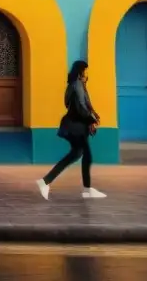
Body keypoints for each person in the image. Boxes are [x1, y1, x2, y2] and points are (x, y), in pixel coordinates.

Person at [36, 59, 107, 200]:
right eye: (85, 70)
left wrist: (90, 119)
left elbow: (80, 105)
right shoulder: (77, 85)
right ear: (80, 72)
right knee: (85, 155)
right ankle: (85, 190)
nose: (87, 73)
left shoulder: (75, 85)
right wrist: (91, 120)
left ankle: (45, 182)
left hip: (75, 125)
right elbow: (81, 107)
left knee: (76, 154)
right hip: (75, 126)